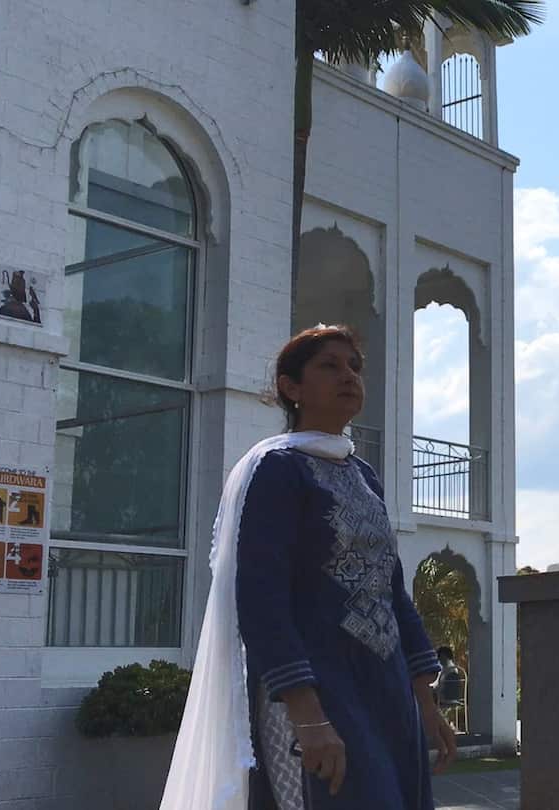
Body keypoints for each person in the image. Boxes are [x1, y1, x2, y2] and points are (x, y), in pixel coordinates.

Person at [160, 324, 457, 810]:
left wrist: (425, 701)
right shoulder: (278, 469)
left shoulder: (363, 476)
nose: (349, 376)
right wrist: (308, 715)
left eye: (354, 367)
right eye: (330, 366)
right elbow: (260, 597)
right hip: (317, 692)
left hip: (386, 692)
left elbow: (392, 591)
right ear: (291, 387)